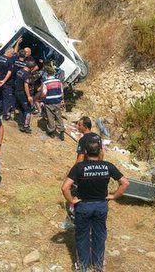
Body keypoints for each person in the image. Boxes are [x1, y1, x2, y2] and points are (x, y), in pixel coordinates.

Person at [61, 141, 129, 271]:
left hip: (83, 206)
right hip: (101, 206)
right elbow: (125, 183)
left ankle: (82, 266)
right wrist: (114, 196)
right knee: (99, 235)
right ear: (100, 152)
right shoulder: (107, 166)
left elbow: (65, 188)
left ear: (85, 152)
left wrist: (72, 200)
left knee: (82, 236)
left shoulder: (79, 167)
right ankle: (98, 266)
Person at [41, 65, 65, 140]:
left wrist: (42, 99)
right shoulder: (58, 81)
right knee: (58, 116)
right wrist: (62, 100)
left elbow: (44, 93)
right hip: (57, 101)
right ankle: (61, 131)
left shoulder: (45, 82)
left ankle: (51, 132)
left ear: (47, 74)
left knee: (50, 117)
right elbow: (61, 92)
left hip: (49, 102)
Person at [0, 48, 15, 118]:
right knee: (6, 98)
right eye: (12, 53)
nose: (13, 55)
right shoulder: (10, 60)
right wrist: (4, 81)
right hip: (5, 83)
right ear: (9, 52)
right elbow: (9, 72)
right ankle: (5, 114)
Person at [15, 60, 36, 133]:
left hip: (17, 92)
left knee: (21, 108)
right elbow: (26, 85)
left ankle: (21, 124)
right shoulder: (27, 74)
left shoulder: (19, 71)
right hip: (24, 94)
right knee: (28, 110)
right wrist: (29, 96)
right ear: (31, 68)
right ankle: (26, 126)